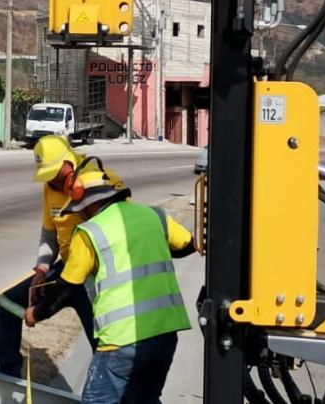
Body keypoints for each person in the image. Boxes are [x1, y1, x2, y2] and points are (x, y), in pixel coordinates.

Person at [26, 162, 197, 403]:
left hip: (121, 340)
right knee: (144, 399)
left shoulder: (89, 233)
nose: (80, 214)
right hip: (165, 334)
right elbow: (189, 245)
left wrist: (36, 313)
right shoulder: (154, 215)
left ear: (89, 203)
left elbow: (67, 288)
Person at [0, 135, 121, 377]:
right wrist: (42, 269)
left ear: (68, 162)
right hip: (65, 271)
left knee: (104, 345)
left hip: (94, 277)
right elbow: (49, 235)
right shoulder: (49, 188)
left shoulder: (98, 182)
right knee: (6, 305)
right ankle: (8, 377)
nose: (51, 179)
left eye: (55, 173)